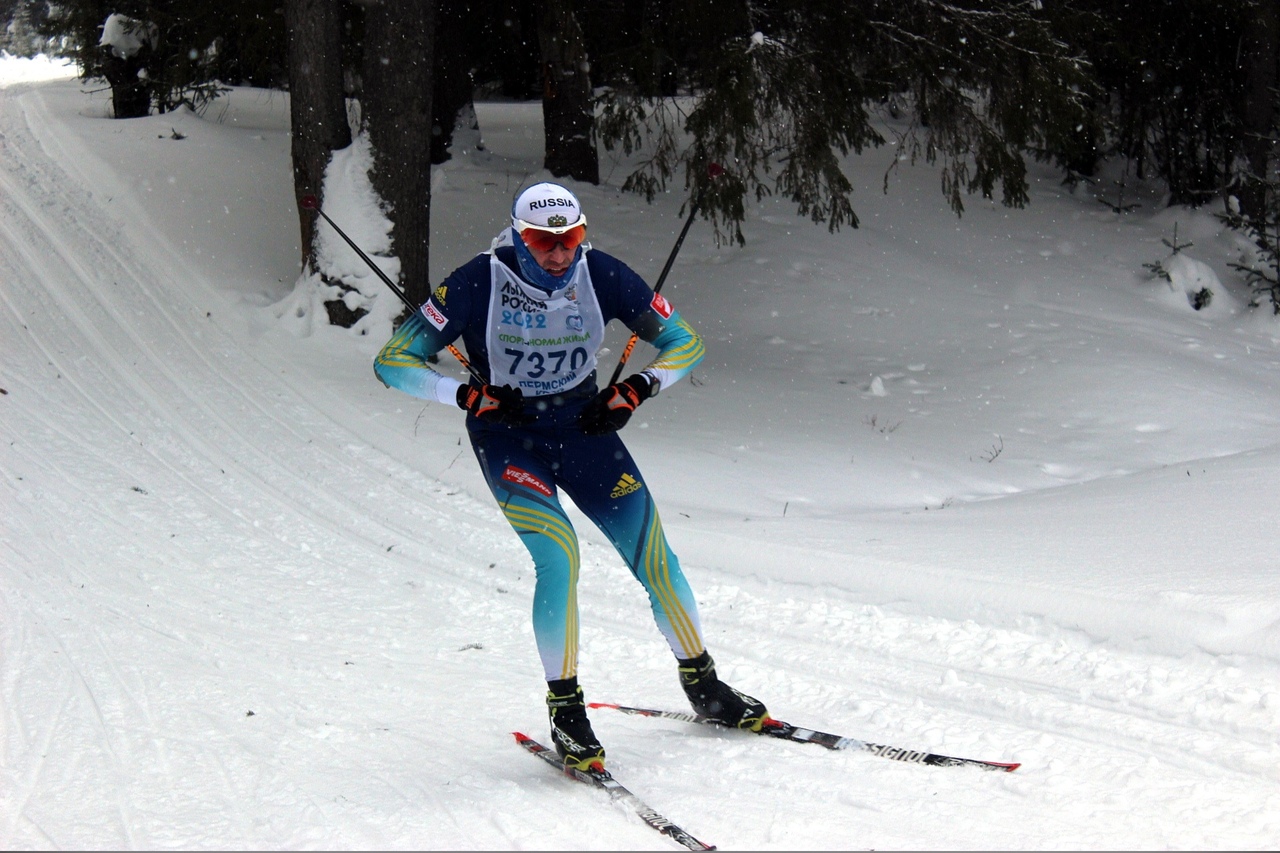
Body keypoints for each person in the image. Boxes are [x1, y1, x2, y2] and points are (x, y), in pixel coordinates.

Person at [373, 182, 768, 772]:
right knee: (559, 557)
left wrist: (636, 388)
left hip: (584, 430)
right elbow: (392, 361)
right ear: (517, 235)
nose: (557, 255)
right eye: (541, 241)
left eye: (570, 240)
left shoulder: (601, 273)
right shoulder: (479, 279)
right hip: (510, 438)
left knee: (655, 558)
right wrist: (464, 395)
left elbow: (686, 343)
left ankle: (704, 685)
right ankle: (566, 710)